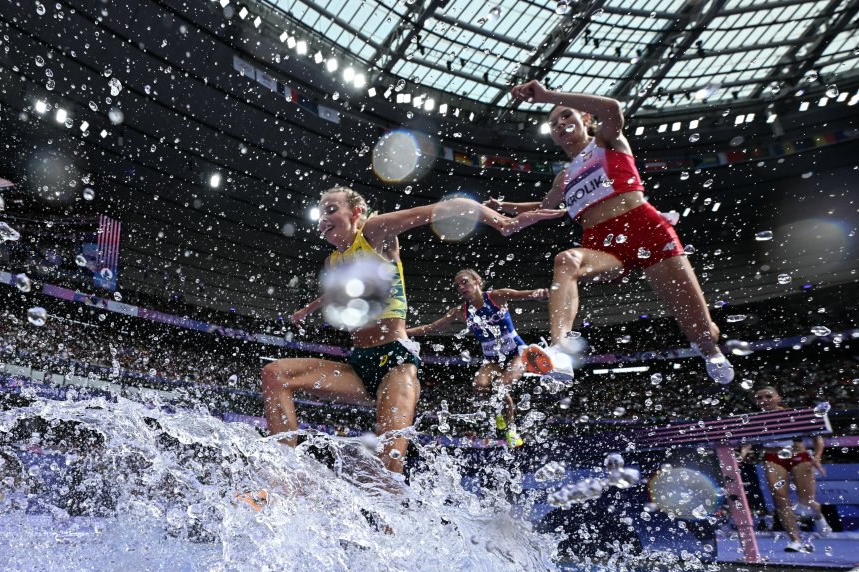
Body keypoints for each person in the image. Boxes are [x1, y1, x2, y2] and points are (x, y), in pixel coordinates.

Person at [262, 186, 562, 473]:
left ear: (356, 212)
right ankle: (287, 474)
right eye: (320, 213)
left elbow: (444, 209)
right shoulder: (333, 261)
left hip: (396, 363)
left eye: (331, 209)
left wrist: (501, 222)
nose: (323, 218)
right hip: (359, 364)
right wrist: (307, 310)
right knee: (275, 374)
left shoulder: (372, 231)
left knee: (385, 470)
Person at [487, 80, 734, 385]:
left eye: (566, 116)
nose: (560, 124)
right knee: (566, 260)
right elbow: (542, 206)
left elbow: (613, 108)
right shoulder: (563, 178)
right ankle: (560, 350)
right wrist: (504, 206)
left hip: (647, 230)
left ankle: (710, 351)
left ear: (585, 120)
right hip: (604, 246)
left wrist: (548, 97)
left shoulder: (606, 142)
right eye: (553, 123)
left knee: (700, 329)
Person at [407, 269, 548, 447]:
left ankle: (511, 430)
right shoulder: (460, 311)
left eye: (465, 282)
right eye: (457, 285)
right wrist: (402, 332)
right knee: (479, 386)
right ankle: (499, 412)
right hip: (492, 359)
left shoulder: (496, 296)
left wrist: (539, 294)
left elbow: (524, 295)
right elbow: (432, 327)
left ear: (477, 281)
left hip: (517, 353)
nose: (461, 287)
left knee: (501, 386)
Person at [740, 386, 830, 553]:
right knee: (780, 501)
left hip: (798, 456)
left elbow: (818, 437)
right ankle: (795, 540)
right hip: (773, 458)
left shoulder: (794, 415)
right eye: (759, 398)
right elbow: (748, 440)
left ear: (778, 398)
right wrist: (742, 454)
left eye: (768, 396)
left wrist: (817, 457)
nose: (764, 400)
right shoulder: (754, 419)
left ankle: (818, 515)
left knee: (806, 501)